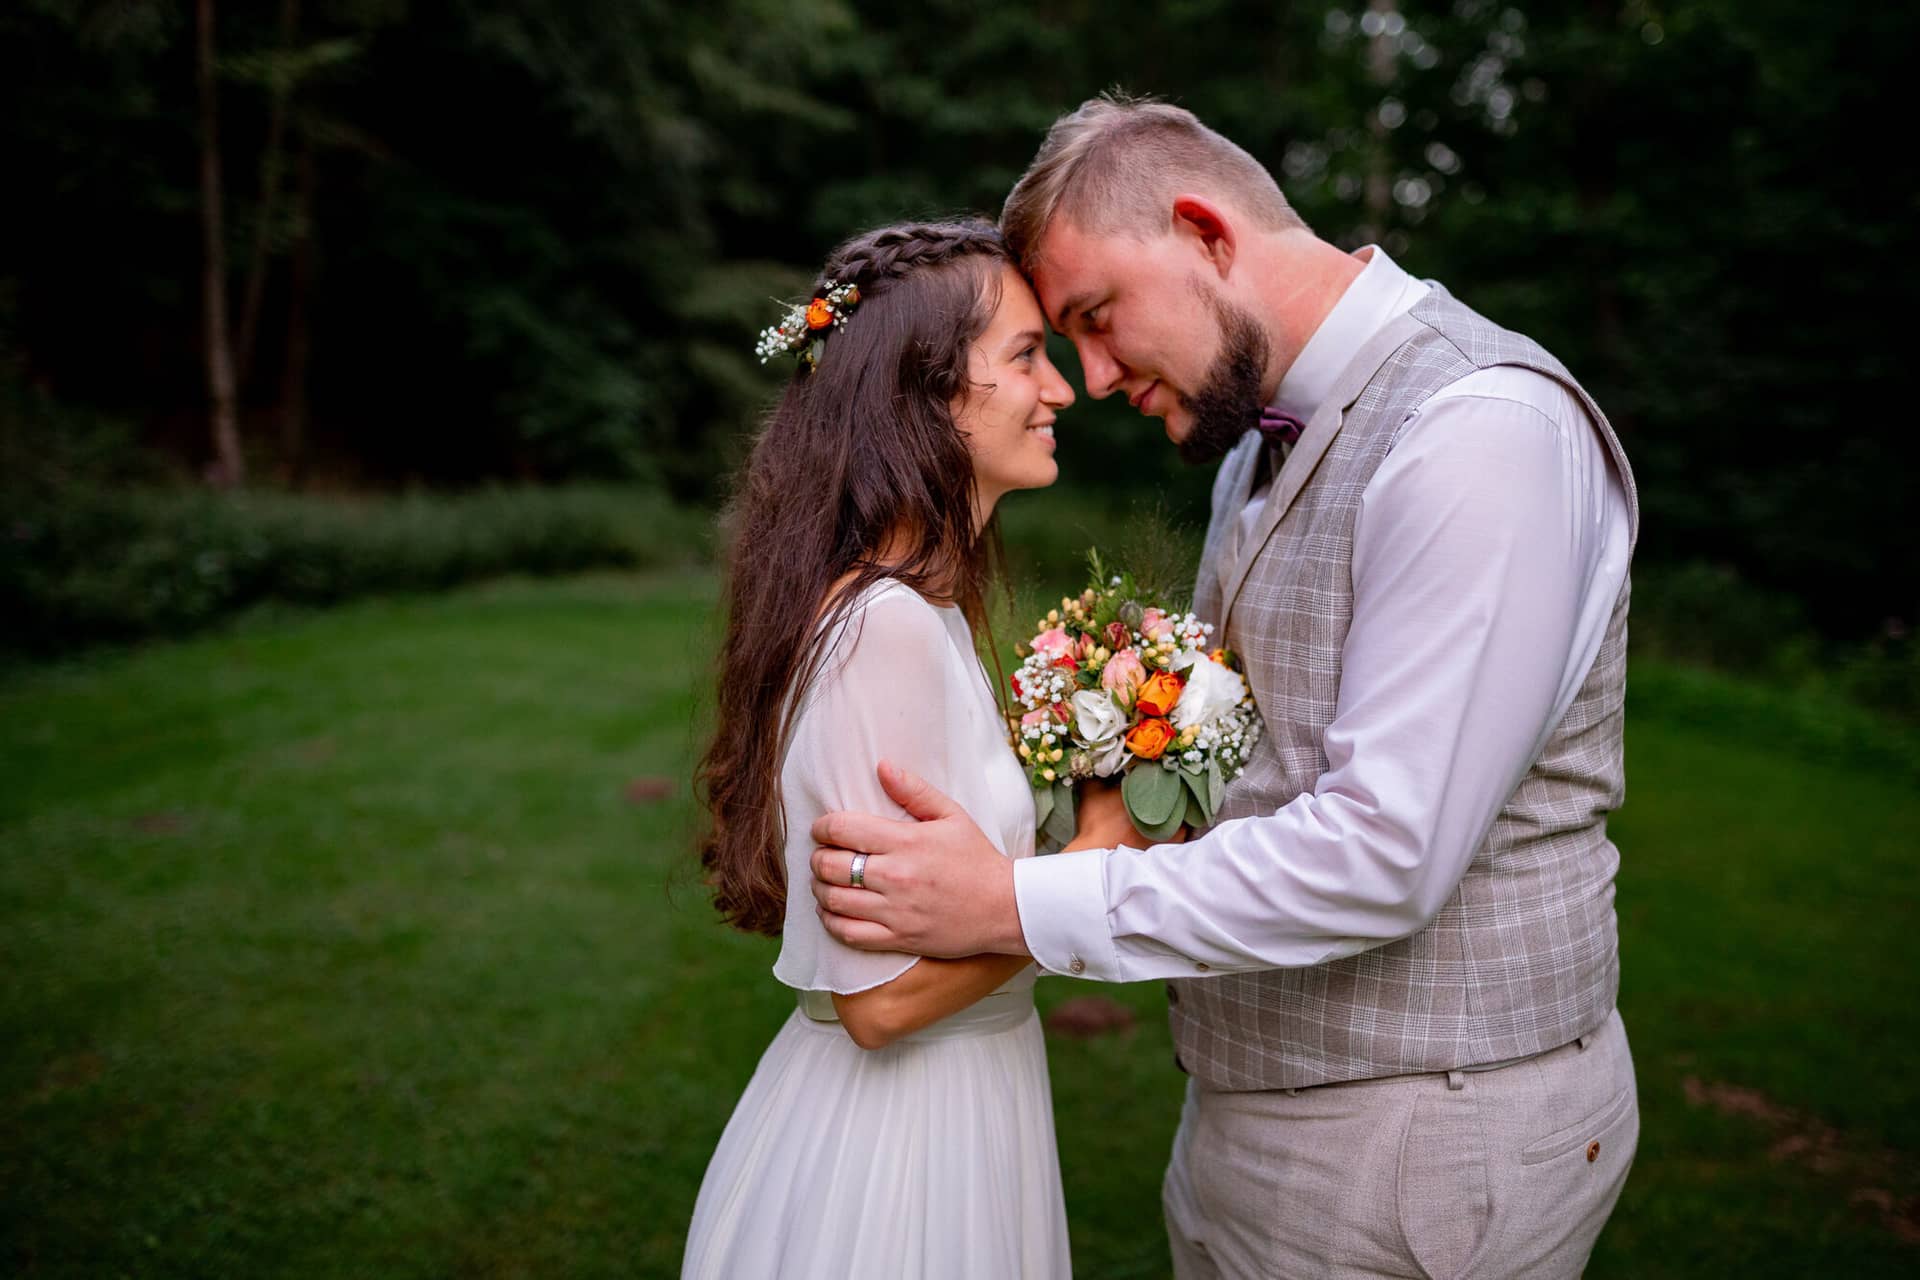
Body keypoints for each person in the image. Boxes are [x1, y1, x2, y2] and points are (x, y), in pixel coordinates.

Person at [809, 97, 1641, 1279]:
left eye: (1096, 319)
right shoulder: (1254, 438)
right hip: (1256, 1115)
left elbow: (1384, 850)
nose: (1095, 379)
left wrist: (1015, 900)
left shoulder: (1478, 430)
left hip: (1424, 1135)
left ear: (1205, 233)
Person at [681, 219, 1100, 1279]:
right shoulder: (885, 627)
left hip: (961, 1105)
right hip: (901, 1156)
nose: (1060, 390)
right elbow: (881, 1002)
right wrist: (1098, 871)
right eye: (1025, 356)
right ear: (929, 394)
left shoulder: (921, 611)